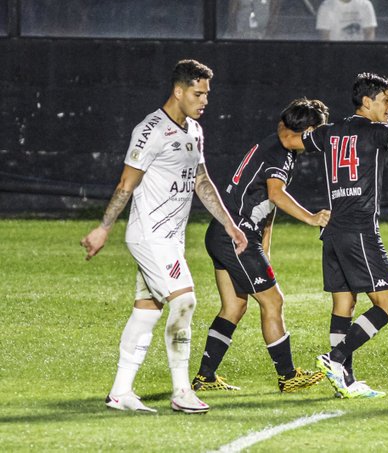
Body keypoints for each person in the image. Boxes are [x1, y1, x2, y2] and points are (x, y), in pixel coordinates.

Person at [81, 59, 247, 414]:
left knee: (147, 311)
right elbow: (127, 183)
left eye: (207, 94)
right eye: (198, 93)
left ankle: (120, 392)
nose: (205, 101)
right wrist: (104, 227)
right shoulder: (151, 129)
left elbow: (201, 182)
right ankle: (182, 390)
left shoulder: (194, 131)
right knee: (185, 301)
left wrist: (230, 224)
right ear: (178, 91)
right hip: (149, 236)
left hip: (171, 239)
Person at [279, 72, 388, 398]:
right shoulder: (375, 131)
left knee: (344, 304)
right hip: (359, 231)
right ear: (367, 102)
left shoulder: (328, 132)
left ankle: (347, 382)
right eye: (386, 100)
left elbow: (288, 140)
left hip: (333, 232)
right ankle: (336, 359)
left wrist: (284, 121)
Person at [191, 98, 332, 394]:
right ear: (305, 131)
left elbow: (267, 203)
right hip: (237, 237)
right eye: (317, 133)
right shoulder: (279, 154)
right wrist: (311, 218)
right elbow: (276, 195)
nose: (318, 141)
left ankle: (205, 377)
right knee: (273, 302)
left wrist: (265, 246)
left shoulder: (278, 146)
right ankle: (287, 375)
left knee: (234, 306)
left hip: (223, 233)